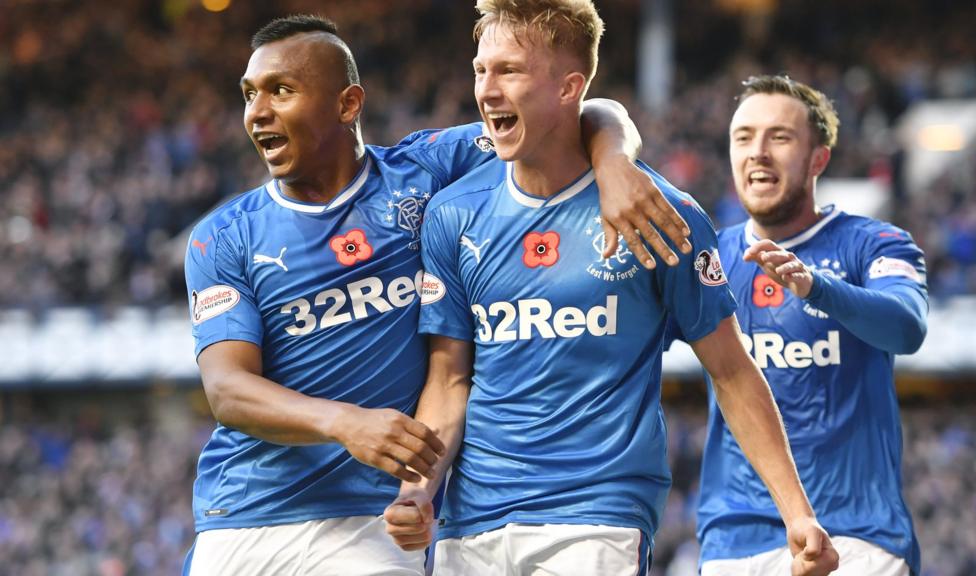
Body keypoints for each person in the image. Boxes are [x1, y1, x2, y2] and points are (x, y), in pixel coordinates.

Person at [182, 13, 691, 576]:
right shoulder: (223, 236)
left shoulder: (426, 172)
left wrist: (615, 161)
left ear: (349, 104)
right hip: (242, 512)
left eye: (281, 91)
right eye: (249, 95)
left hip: (376, 521)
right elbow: (227, 390)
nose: (257, 112)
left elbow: (582, 111)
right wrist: (344, 422)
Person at [382, 3, 838, 575]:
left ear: (570, 87)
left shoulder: (661, 215)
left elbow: (731, 369)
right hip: (470, 524)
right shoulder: (454, 213)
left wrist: (796, 515)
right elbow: (449, 381)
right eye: (480, 70)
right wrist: (418, 490)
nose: (486, 90)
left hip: (595, 517)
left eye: (510, 71)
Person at [695, 74, 929, 575]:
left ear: (818, 158)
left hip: (857, 536)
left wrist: (817, 288)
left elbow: (906, 326)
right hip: (736, 539)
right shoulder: (708, 257)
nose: (758, 151)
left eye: (779, 137)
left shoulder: (875, 243)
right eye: (744, 137)